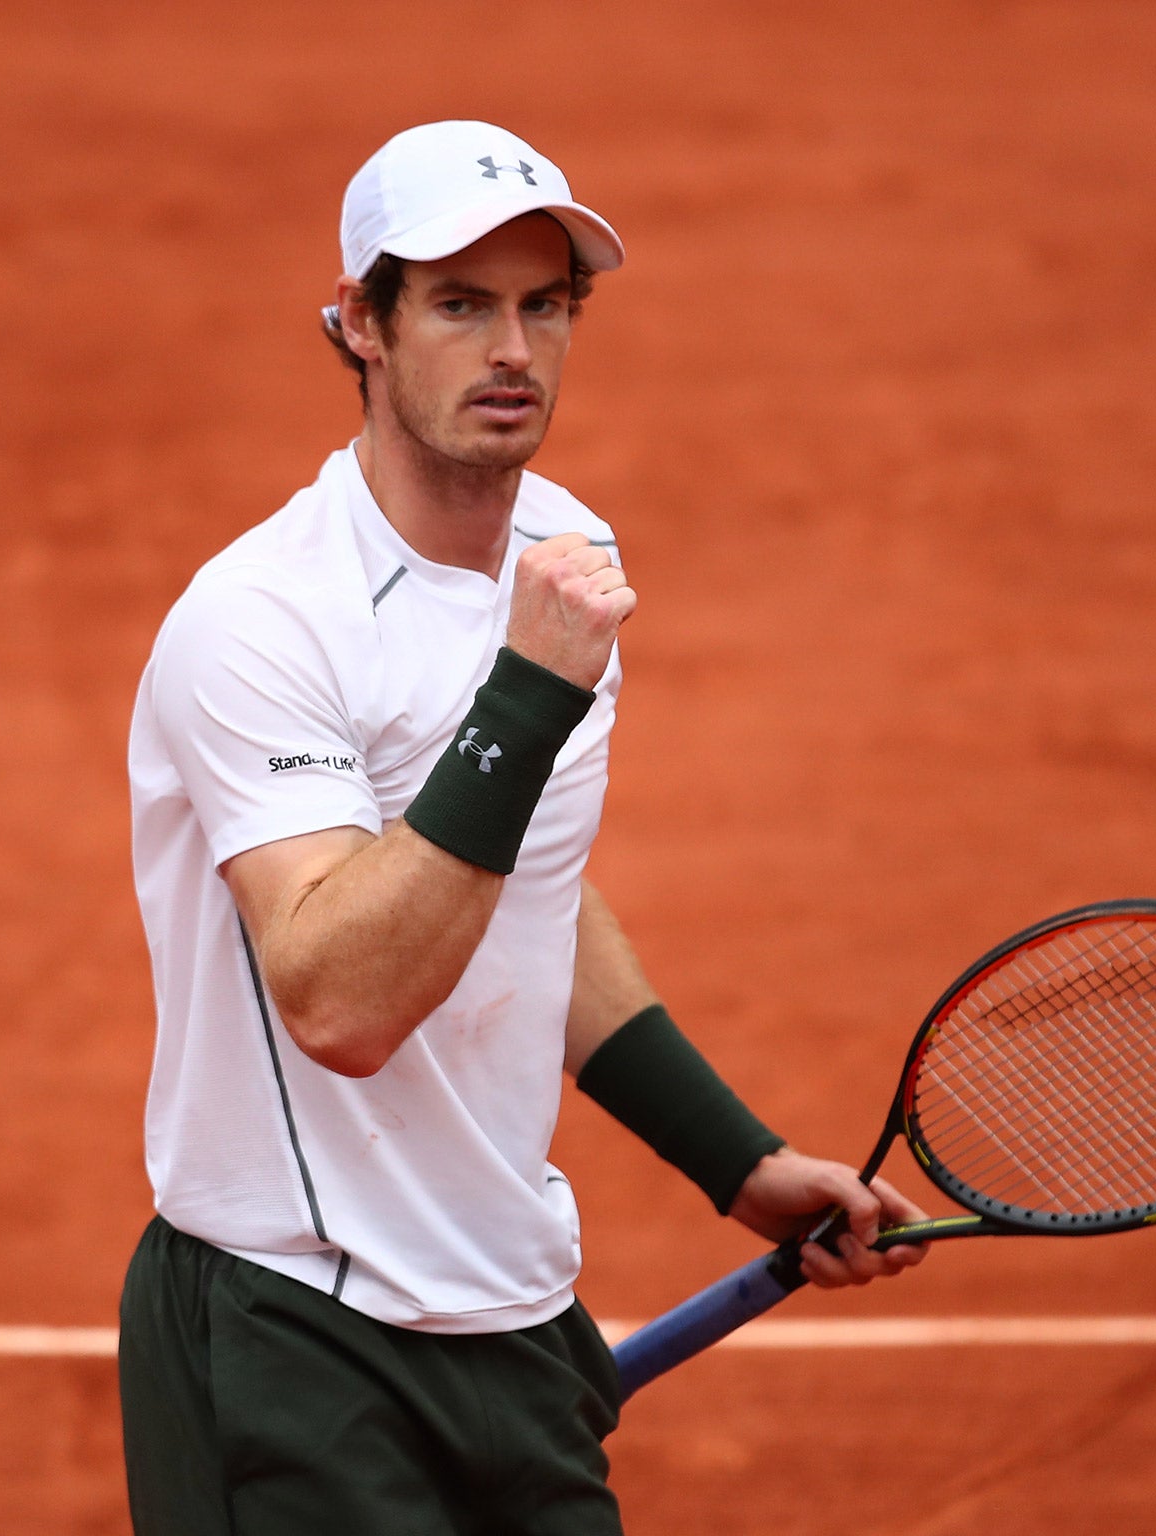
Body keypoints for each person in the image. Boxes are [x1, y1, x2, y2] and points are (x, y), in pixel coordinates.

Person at [119, 120, 929, 1536]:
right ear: (360, 326)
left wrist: (730, 1155)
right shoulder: (260, 622)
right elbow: (339, 997)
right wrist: (527, 698)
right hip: (294, 1327)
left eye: (544, 305)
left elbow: (526, 888)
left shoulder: (563, 555)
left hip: (512, 1314)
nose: (512, 348)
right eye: (458, 304)